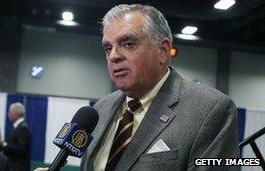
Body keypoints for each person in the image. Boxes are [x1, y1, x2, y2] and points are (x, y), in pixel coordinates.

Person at [80, 4, 239, 171]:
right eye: (108, 48)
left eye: (127, 43)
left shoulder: (210, 111)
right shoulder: (100, 110)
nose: (114, 56)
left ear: (163, 50)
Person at [3, 102, 31, 171]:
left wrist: (4, 145)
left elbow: (20, 149)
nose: (8, 114)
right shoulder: (19, 127)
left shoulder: (22, 128)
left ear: (15, 113)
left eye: (9, 112)